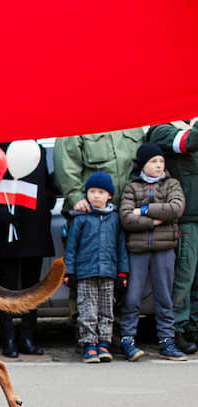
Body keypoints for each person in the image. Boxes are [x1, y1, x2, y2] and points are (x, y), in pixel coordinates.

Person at [54, 129, 145, 328]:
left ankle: (114, 330)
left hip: (124, 214)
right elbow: (65, 165)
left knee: (119, 274)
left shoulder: (133, 123)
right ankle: (85, 332)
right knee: (85, 276)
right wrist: (76, 198)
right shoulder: (78, 123)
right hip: (89, 214)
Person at [0, 141, 56, 358]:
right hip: (6, 230)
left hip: (34, 228)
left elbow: (49, 186)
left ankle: (27, 337)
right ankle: (8, 338)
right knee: (8, 287)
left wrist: (43, 204)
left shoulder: (36, 150)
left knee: (33, 288)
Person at [118, 143, 187, 361]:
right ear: (143, 165)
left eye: (161, 161)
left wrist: (145, 210)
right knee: (132, 297)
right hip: (137, 250)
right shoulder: (132, 188)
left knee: (164, 297)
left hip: (164, 249)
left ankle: (167, 342)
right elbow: (127, 218)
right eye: (153, 161)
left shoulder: (172, 184)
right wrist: (156, 221)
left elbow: (176, 209)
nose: (158, 166)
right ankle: (128, 340)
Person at [63, 172, 129, 363]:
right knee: (87, 310)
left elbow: (121, 248)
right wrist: (69, 272)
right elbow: (71, 248)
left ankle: (104, 344)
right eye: (92, 191)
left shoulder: (115, 219)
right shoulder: (80, 219)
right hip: (86, 273)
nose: (96, 196)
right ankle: (89, 344)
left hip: (108, 272)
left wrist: (123, 273)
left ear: (109, 195)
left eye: (101, 192)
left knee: (106, 311)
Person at [148, 119, 198, 354]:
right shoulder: (162, 128)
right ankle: (175, 330)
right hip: (185, 219)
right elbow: (187, 142)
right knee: (183, 280)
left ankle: (194, 328)